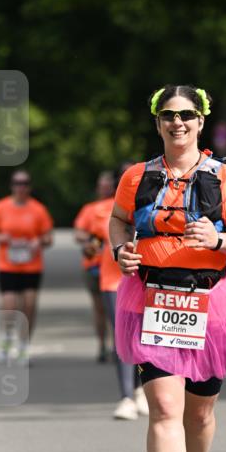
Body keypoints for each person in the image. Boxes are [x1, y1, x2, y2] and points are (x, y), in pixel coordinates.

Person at [109, 85, 226, 452]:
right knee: (164, 408)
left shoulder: (224, 176)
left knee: (198, 415)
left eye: (187, 115)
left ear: (201, 121)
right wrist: (121, 250)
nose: (178, 122)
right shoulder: (137, 176)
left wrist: (217, 241)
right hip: (151, 300)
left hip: (210, 307)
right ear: (157, 122)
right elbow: (118, 219)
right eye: (169, 116)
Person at [89, 166, 149, 420]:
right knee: (123, 338)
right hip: (115, 281)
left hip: (149, 281)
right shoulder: (103, 210)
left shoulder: (154, 203)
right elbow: (93, 241)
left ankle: (141, 391)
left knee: (145, 338)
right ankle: (126, 397)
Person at [0, 170, 54, 363]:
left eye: (24, 183)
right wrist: (1, 238)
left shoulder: (38, 210)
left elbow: (49, 238)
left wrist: (38, 242)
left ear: (29, 187)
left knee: (29, 306)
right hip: (7, 264)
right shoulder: (1, 207)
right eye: (17, 183)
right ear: (11, 186)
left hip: (31, 266)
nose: (21, 187)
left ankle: (24, 345)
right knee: (9, 306)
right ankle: (7, 339)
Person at [73, 173, 113, 362]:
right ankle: (102, 344)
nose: (104, 188)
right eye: (101, 185)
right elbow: (79, 233)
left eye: (108, 185)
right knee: (100, 308)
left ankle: (117, 345)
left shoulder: (120, 205)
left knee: (116, 308)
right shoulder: (90, 209)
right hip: (94, 265)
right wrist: (93, 239)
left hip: (115, 267)